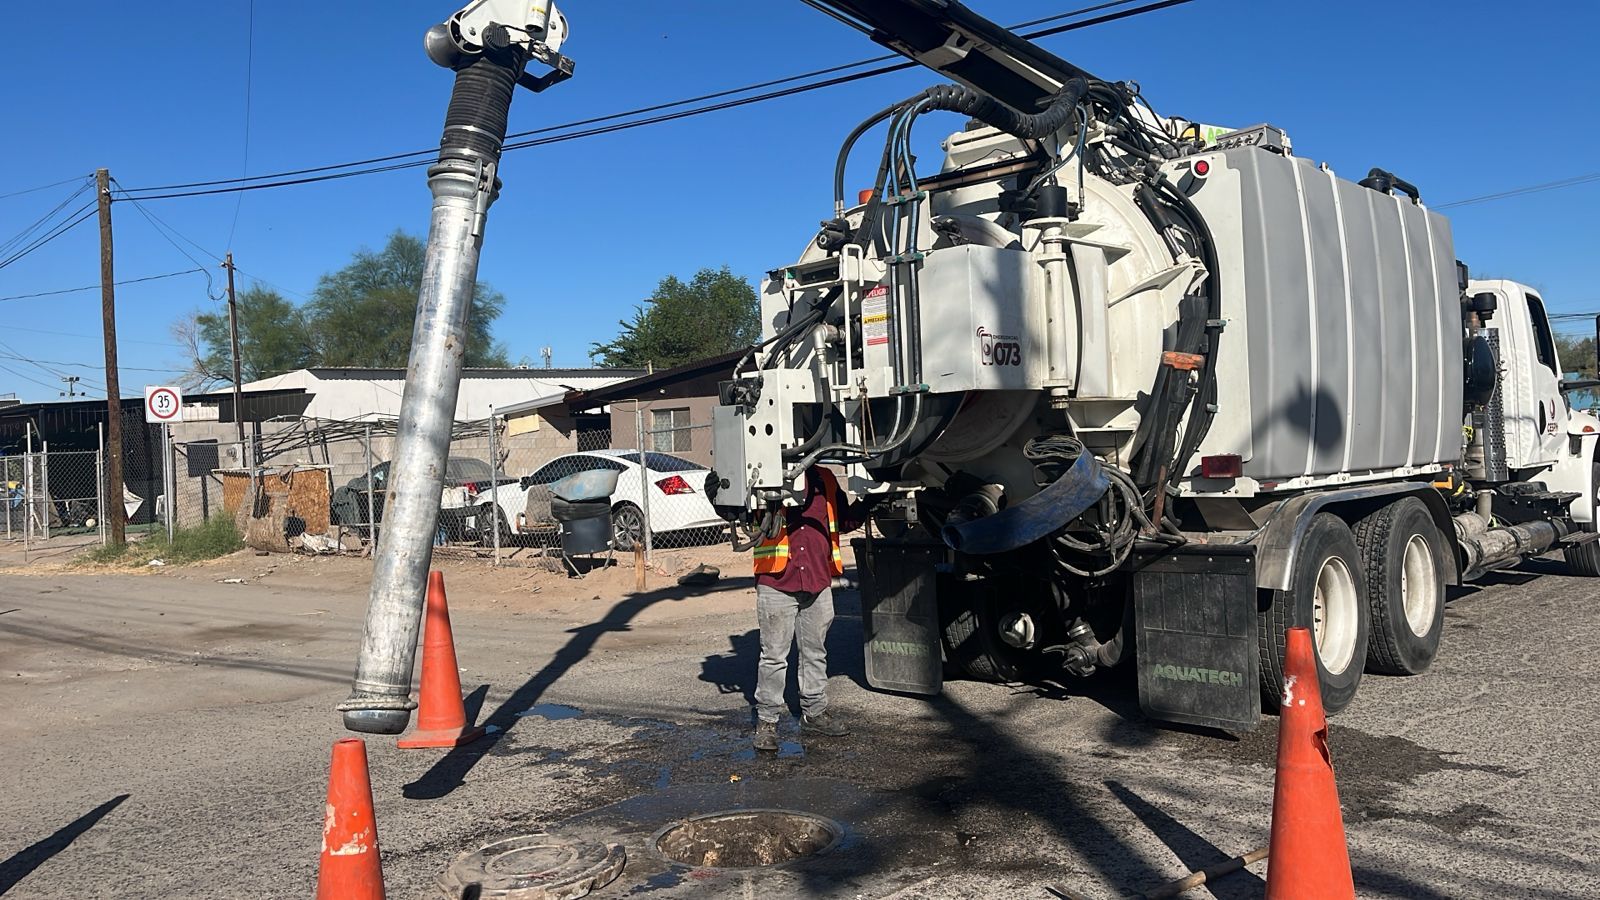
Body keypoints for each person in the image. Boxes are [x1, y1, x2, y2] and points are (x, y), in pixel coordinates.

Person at [750, 465, 866, 751]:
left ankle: (814, 712)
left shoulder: (825, 478)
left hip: (817, 579)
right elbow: (737, 510)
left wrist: (871, 500)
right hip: (777, 580)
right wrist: (718, 491)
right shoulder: (762, 472)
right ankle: (767, 721)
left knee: (815, 651)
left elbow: (843, 520)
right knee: (774, 657)